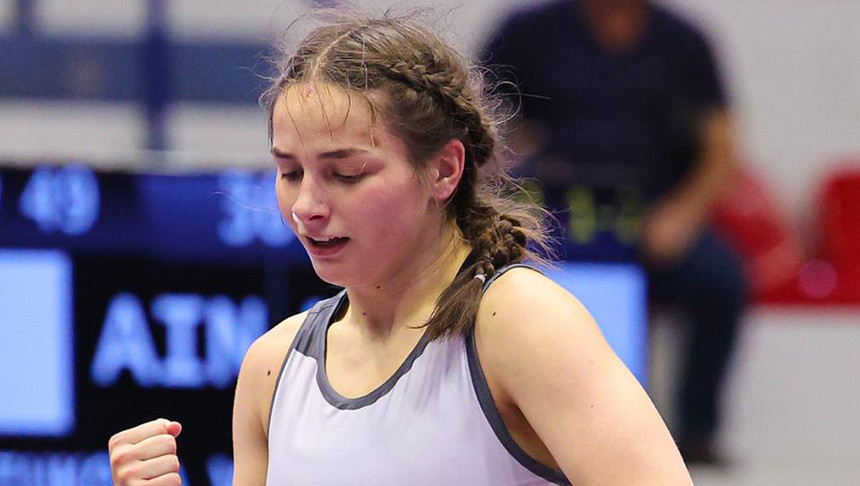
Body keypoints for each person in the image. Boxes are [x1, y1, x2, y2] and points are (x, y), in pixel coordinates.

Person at [107, 14, 693, 485]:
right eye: (289, 172)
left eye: (346, 174)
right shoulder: (272, 366)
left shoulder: (520, 323)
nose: (307, 205)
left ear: (444, 170)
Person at [481, 0, 746, 464]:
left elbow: (721, 151)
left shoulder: (684, 42)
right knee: (477, 276)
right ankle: (504, 428)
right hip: (545, 217)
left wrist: (680, 216)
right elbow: (474, 126)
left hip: (650, 216)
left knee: (721, 280)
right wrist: (512, 161)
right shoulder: (527, 31)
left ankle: (695, 434)